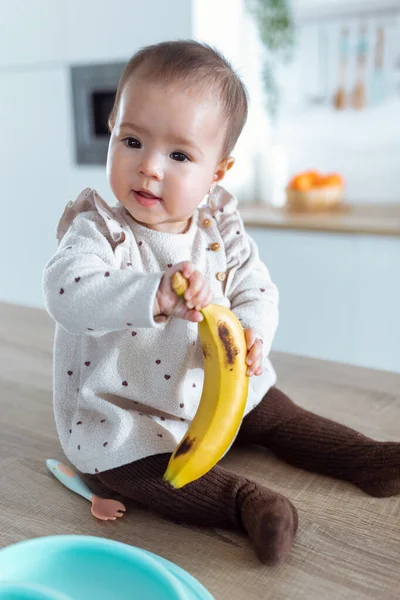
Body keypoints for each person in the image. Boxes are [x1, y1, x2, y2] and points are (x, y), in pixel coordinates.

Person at [43, 40, 400, 566]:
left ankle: (367, 458)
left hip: (207, 381)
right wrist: (154, 293)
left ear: (217, 174)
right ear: (113, 131)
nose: (149, 168)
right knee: (137, 469)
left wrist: (253, 331)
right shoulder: (98, 230)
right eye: (133, 140)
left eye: (179, 155)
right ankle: (248, 505)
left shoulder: (217, 228)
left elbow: (258, 289)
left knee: (276, 413)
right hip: (123, 408)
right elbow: (67, 290)